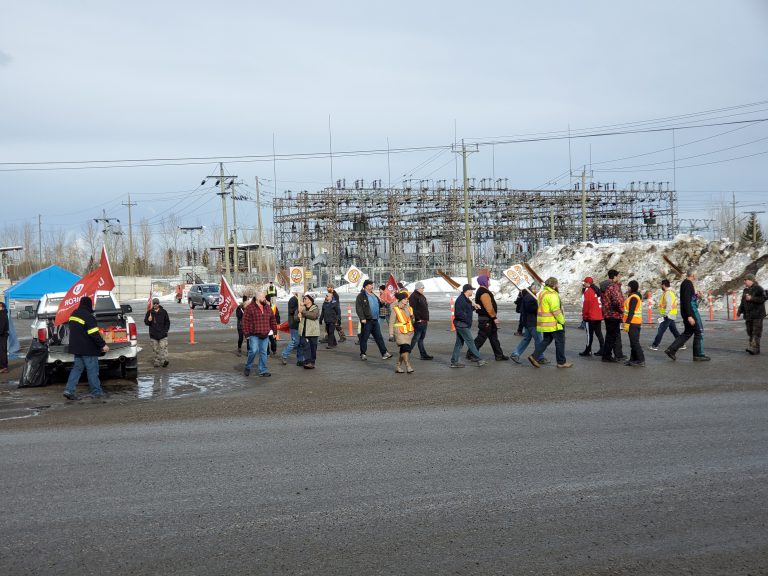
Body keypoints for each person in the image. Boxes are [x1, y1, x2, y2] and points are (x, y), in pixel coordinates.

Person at [62, 296, 109, 400]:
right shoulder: (88, 316)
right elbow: (94, 334)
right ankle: (96, 392)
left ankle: (69, 390)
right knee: (92, 370)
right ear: (89, 305)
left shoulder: (73, 314)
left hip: (76, 348)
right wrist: (103, 345)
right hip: (88, 349)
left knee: (77, 369)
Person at [665, 268, 710, 362]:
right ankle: (698, 355)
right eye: (696, 274)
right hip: (690, 312)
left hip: (687, 311)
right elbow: (686, 301)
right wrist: (689, 316)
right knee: (699, 331)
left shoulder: (686, 284)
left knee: (688, 332)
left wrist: (696, 295)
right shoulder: (688, 284)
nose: (697, 276)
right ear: (693, 275)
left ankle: (671, 350)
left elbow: (690, 298)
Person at [529, 277, 572, 368]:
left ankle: (534, 356)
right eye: (557, 284)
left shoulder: (541, 293)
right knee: (560, 342)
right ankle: (561, 362)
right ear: (554, 285)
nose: (558, 285)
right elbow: (555, 310)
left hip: (544, 323)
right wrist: (562, 320)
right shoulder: (552, 294)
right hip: (554, 323)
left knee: (546, 340)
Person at [469, 274, 508, 361]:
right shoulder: (483, 292)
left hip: (488, 318)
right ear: (484, 281)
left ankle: (499, 355)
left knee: (494, 337)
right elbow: (488, 307)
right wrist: (494, 317)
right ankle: (471, 353)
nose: (489, 281)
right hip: (486, 319)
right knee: (481, 337)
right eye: (488, 280)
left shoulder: (484, 290)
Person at [450, 284, 486, 368]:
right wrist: (467, 319)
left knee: (459, 344)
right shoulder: (461, 300)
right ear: (467, 290)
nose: (472, 291)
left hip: (463, 324)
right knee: (470, 342)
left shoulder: (466, 299)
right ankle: (479, 359)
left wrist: (474, 307)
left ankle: (454, 362)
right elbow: (458, 314)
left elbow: (467, 309)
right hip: (462, 325)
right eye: (471, 290)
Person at [355, 279, 393, 361]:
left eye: (372, 285)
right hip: (367, 320)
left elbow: (378, 304)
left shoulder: (374, 295)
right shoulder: (361, 296)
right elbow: (359, 308)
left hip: (375, 320)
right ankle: (363, 353)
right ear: (366, 286)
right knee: (364, 338)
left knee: (379, 337)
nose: (372, 286)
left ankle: (384, 353)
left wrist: (382, 302)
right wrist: (362, 318)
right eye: (370, 285)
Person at [242, 291, 277, 377]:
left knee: (264, 353)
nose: (265, 299)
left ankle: (263, 370)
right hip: (254, 334)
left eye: (265, 297)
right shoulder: (250, 308)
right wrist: (246, 334)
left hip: (265, 334)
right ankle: (248, 366)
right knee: (253, 351)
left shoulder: (268, 307)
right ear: (257, 298)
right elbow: (245, 322)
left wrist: (275, 331)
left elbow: (272, 320)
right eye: (263, 297)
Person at [510, 284, 543, 364]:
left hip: (528, 322)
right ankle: (540, 357)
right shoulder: (530, 297)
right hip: (532, 322)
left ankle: (516, 354)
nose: (539, 291)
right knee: (539, 340)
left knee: (526, 339)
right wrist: (540, 306)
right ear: (534, 289)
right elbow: (531, 309)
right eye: (538, 289)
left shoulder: (530, 296)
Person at [600, 269, 626, 363]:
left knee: (610, 335)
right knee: (612, 336)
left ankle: (608, 355)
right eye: (618, 276)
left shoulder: (604, 286)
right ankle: (607, 356)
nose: (618, 278)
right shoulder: (613, 287)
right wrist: (622, 310)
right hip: (614, 314)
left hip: (607, 313)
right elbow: (616, 301)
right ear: (614, 276)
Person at [737, 273, 766, 355]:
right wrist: (739, 311)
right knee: (749, 332)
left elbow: (763, 298)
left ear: (751, 280)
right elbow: (743, 302)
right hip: (748, 315)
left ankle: (755, 349)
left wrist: (752, 298)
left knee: (756, 332)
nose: (744, 282)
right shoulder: (745, 290)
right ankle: (752, 347)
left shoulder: (759, 288)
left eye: (745, 280)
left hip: (757, 315)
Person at [650, 279, 682, 351]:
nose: (660, 286)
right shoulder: (668, 293)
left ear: (664, 285)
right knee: (674, 330)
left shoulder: (668, 293)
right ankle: (681, 344)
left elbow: (669, 305)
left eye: (661, 285)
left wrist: (665, 314)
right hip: (670, 315)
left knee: (660, 330)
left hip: (667, 316)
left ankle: (655, 345)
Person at [389, 291, 415, 373]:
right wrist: (391, 334)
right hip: (399, 332)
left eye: (407, 299)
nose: (406, 300)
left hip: (408, 332)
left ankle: (398, 366)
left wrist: (412, 318)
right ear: (400, 300)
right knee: (405, 348)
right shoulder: (395, 309)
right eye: (404, 299)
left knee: (403, 350)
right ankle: (408, 366)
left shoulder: (409, 308)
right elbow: (391, 322)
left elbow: (412, 321)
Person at [580, 277, 604, 357]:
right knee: (598, 333)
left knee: (589, 334)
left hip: (591, 316)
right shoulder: (596, 290)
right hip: (598, 315)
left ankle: (588, 350)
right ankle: (602, 349)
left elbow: (586, 305)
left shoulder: (589, 291)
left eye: (584, 282)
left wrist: (584, 316)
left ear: (588, 283)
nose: (583, 284)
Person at [623, 280, 645, 366]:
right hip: (634, 322)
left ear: (632, 287)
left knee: (635, 342)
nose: (627, 288)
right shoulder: (632, 296)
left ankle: (641, 359)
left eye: (628, 286)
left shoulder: (634, 298)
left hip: (633, 323)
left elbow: (631, 312)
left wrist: (627, 323)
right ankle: (633, 359)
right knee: (633, 342)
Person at [408, 281, 433, 360]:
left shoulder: (421, 296)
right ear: (418, 288)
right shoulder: (413, 296)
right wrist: (417, 319)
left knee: (421, 338)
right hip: (419, 322)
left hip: (424, 321)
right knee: (415, 338)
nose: (423, 289)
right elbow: (412, 309)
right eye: (422, 288)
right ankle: (406, 352)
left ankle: (423, 354)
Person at [144, 297, 171, 368]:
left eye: (157, 303)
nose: (155, 305)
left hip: (163, 334)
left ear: (159, 304)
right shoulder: (149, 312)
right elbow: (146, 323)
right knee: (155, 349)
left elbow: (167, 322)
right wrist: (149, 320)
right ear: (153, 304)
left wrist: (165, 330)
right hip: (153, 334)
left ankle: (164, 361)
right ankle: (157, 361)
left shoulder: (164, 312)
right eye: (154, 303)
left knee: (163, 348)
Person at [280, 292, 305, 366]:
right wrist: (299, 307)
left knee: (301, 343)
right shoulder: (293, 300)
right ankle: (284, 354)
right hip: (294, 324)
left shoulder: (301, 300)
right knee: (295, 341)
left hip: (301, 324)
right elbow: (291, 311)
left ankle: (300, 359)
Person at [298, 293, 320, 369]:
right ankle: (307, 361)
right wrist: (298, 317)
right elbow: (296, 318)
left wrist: (303, 312)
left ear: (310, 300)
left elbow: (314, 316)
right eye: (303, 298)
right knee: (306, 347)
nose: (304, 299)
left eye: (305, 298)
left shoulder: (315, 308)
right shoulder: (301, 308)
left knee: (313, 347)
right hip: (304, 331)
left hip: (313, 331)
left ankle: (312, 362)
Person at [0, 301, 9, 373]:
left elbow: (1, 327)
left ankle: (4, 367)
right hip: (2, 335)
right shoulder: (3, 314)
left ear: (2, 307)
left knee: (2, 351)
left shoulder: (2, 315)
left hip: (2, 336)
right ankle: (3, 366)